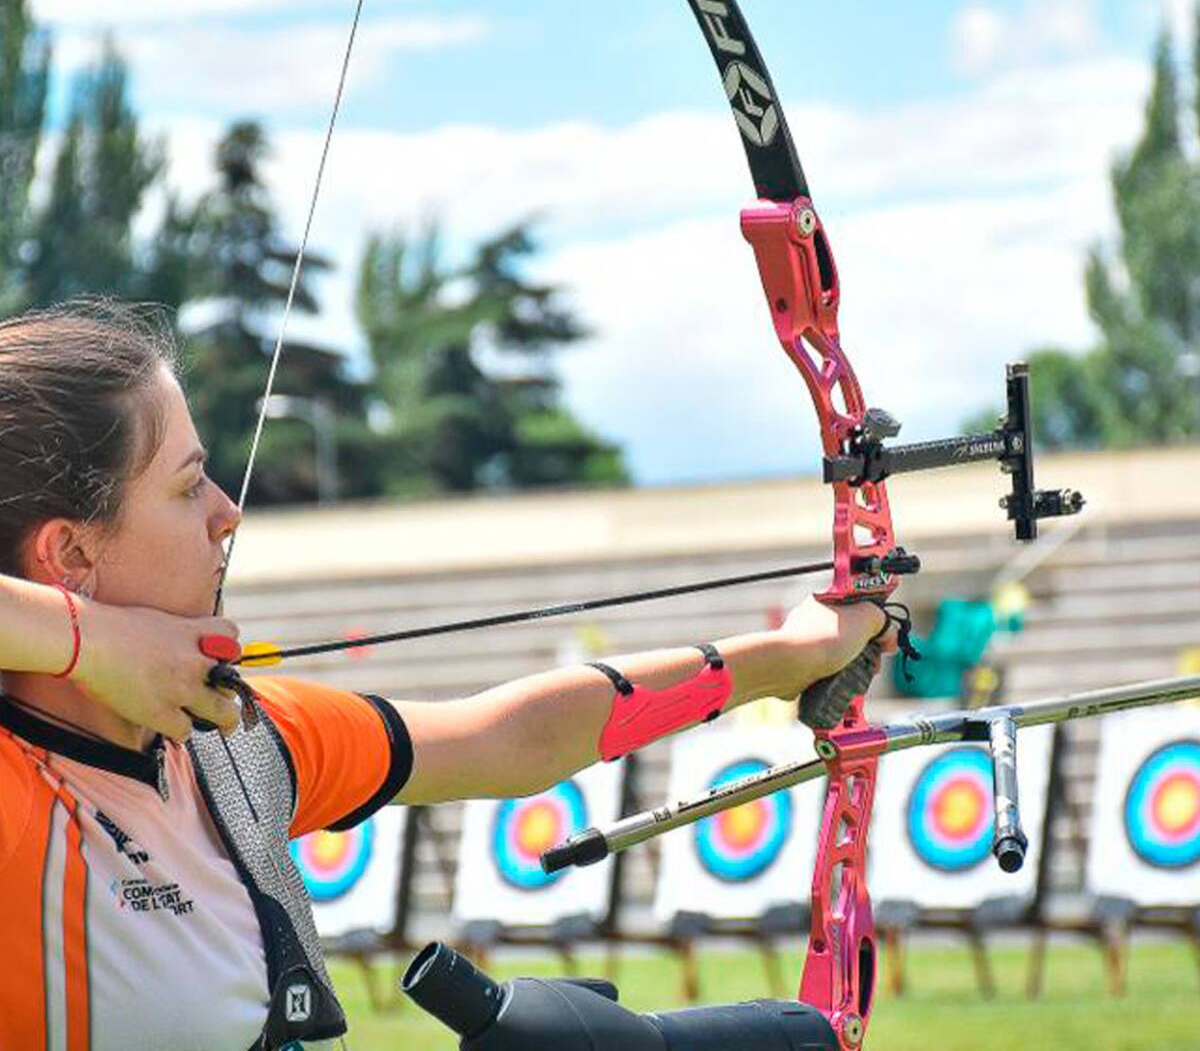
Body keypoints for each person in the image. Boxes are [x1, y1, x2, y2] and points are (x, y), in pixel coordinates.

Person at [0, 301, 895, 1051]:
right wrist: (93, 643)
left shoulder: (235, 745)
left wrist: (792, 656)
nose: (228, 515)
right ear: (70, 554)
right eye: (190, 485)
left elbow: (508, 739)